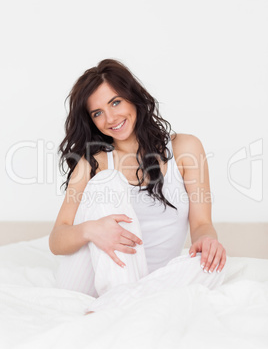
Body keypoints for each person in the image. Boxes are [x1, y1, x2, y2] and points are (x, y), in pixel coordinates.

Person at [49, 58, 227, 305]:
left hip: (155, 280)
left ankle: (121, 303)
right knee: (107, 180)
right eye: (98, 113)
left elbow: (201, 224)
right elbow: (57, 240)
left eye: (115, 102)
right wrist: (91, 229)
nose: (110, 118)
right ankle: (122, 304)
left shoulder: (186, 149)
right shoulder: (94, 162)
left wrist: (207, 241)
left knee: (214, 266)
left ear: (133, 97)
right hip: (89, 280)